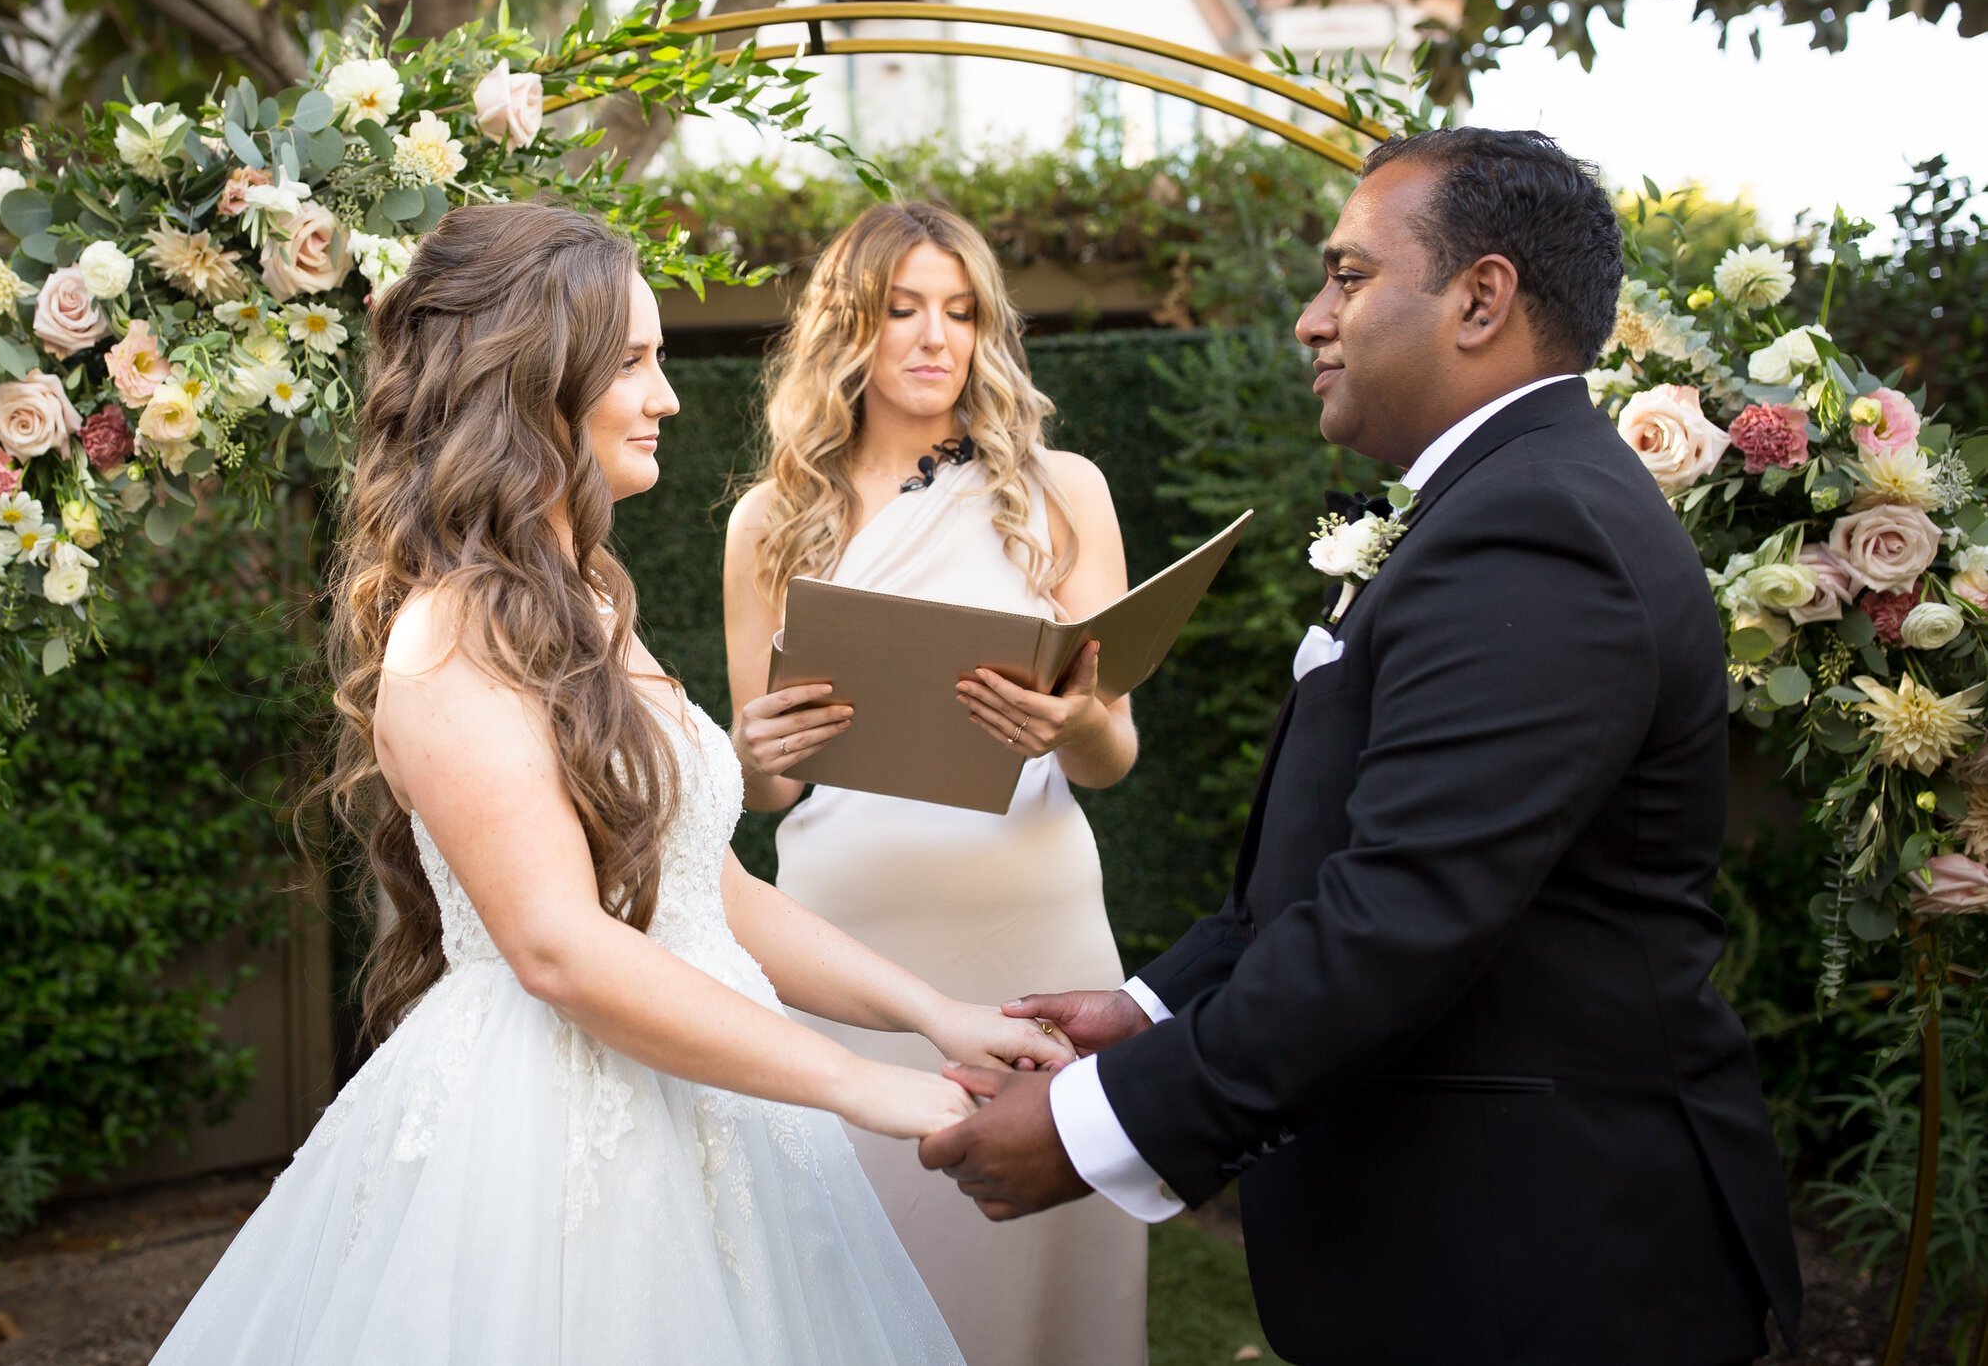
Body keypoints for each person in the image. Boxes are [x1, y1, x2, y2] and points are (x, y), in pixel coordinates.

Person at [919, 129, 1804, 1365]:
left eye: (1346, 275)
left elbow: (1404, 912)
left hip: (1541, 1264)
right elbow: (1336, 850)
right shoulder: (1492, 503)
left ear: (1480, 298)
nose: (1308, 317)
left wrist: (1093, 1122)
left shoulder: (1537, 526)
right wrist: (1153, 1003)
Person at [146, 203, 1071, 1366]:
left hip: (702, 1098)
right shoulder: (452, 633)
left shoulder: (587, 598)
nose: (667, 397)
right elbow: (560, 950)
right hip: (548, 1132)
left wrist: (935, 1015)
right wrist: (856, 1085)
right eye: (633, 362)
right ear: (534, 383)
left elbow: (703, 884)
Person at [722, 201, 1150, 1366]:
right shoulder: (770, 520)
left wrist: (1070, 723)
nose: (933, 337)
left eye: (959, 311)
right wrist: (754, 759)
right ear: (846, 329)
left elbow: (1112, 755)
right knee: (862, 1253)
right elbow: (761, 794)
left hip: (1035, 924)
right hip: (849, 940)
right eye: (902, 308)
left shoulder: (1062, 489)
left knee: (1048, 1270)